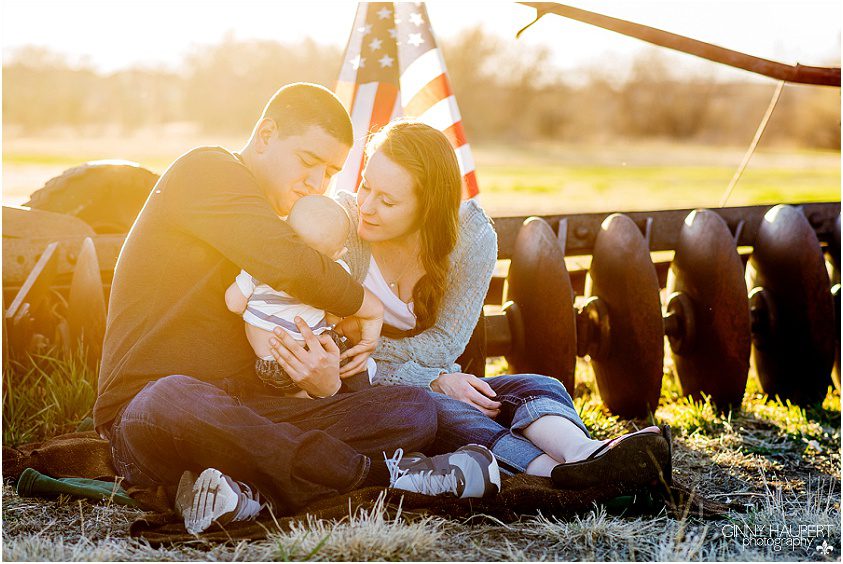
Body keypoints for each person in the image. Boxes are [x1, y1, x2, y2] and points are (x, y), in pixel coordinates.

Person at [93, 84, 499, 536]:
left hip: (251, 413)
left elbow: (279, 346)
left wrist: (322, 382)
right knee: (172, 397)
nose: (316, 183)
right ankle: (378, 478)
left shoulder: (293, 221)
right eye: (308, 161)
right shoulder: (206, 172)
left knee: (412, 411)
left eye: (330, 173)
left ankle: (241, 491)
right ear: (266, 135)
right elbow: (287, 264)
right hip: (151, 416)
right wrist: (365, 305)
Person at [270, 119, 671, 488]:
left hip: (433, 373)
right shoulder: (339, 226)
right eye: (366, 185)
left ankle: (586, 453)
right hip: (364, 391)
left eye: (387, 201)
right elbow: (340, 345)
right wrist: (432, 380)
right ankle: (548, 474)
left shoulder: (471, 236)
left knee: (538, 385)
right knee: (438, 408)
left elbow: (446, 343)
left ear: (427, 209)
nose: (367, 205)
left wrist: (438, 376)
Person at [224, 194, 372, 397]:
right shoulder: (336, 275)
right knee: (343, 349)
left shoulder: (260, 265)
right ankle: (358, 377)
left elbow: (233, 303)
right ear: (338, 254)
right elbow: (333, 317)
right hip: (317, 353)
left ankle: (298, 396)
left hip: (272, 364)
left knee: (292, 392)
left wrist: (254, 314)